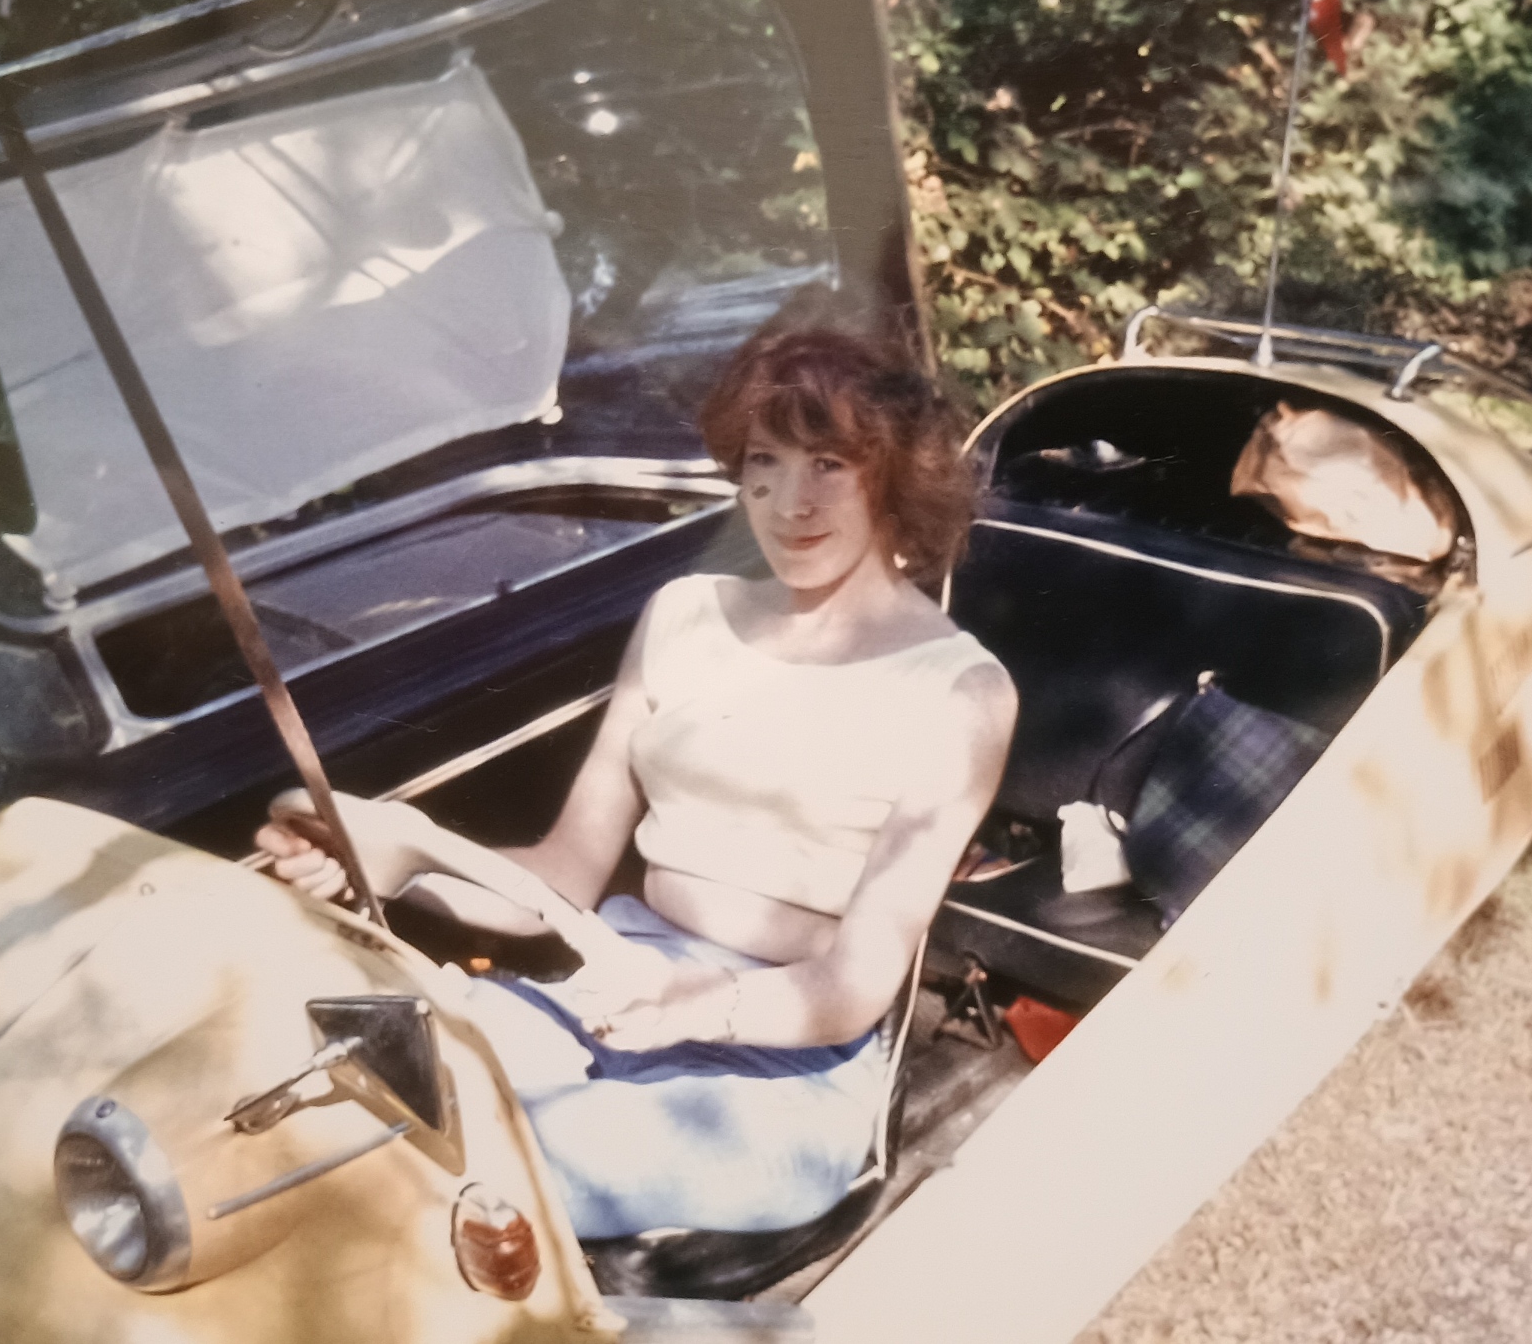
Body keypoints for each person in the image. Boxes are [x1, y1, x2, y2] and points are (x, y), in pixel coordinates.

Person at [258, 325, 1017, 1238]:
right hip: (606, 985)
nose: (791, 502)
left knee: (478, 1173)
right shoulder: (684, 614)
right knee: (320, 1094)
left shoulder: (962, 690)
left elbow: (854, 986)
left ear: (892, 471)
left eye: (829, 464)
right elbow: (562, 875)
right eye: (764, 462)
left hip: (786, 1064)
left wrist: (701, 1005)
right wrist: (394, 865)